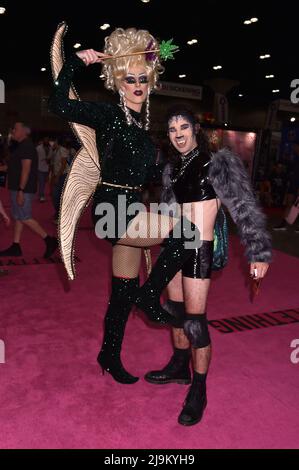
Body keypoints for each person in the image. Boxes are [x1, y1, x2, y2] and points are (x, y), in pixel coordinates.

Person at [49, 26, 204, 385]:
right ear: (118, 82)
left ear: (150, 83)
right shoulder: (109, 116)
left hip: (130, 209)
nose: (137, 84)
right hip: (111, 211)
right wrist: (74, 61)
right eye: (129, 78)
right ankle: (150, 296)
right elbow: (58, 105)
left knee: (121, 294)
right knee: (186, 234)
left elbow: (152, 176)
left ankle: (109, 354)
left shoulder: (143, 126)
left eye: (143, 79)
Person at [144, 107, 271, 426]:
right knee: (174, 311)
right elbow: (169, 212)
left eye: (183, 127)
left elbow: (243, 205)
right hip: (174, 245)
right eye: (172, 129)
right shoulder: (171, 168)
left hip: (198, 248)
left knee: (195, 322)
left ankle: (199, 390)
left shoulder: (218, 162)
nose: (178, 134)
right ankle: (178, 366)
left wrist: (258, 250)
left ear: (195, 129)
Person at [0, 122, 58, 258]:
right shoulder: (21, 147)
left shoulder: (26, 146)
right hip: (18, 188)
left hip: (23, 189)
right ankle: (16, 246)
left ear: (24, 131)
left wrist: (21, 190)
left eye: (15, 129)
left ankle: (49, 240)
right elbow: (13, 168)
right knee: (19, 217)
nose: (13, 130)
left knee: (24, 217)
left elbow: (26, 170)